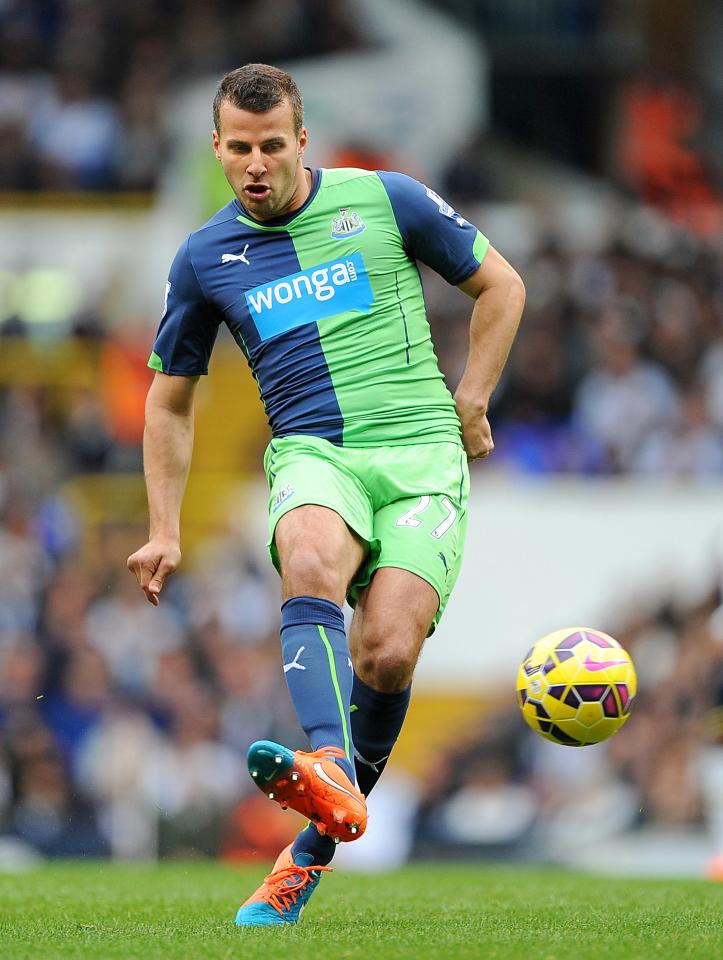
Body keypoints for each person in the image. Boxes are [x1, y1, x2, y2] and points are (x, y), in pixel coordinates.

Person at [127, 63, 525, 926]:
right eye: (240, 148)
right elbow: (169, 397)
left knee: (385, 651)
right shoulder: (204, 259)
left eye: (273, 145)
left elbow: (502, 284)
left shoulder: (387, 199)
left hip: (421, 453)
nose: (257, 163)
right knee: (306, 557)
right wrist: (163, 528)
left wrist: (472, 397)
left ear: (303, 140)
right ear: (217, 149)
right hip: (315, 453)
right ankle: (329, 766)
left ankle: (306, 852)